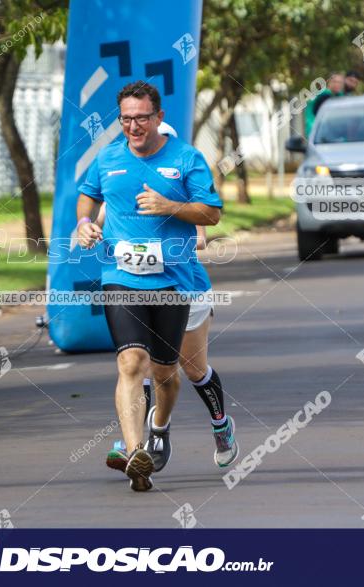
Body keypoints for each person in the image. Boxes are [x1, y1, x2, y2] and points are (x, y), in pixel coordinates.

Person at [77, 81, 222, 492]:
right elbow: (86, 198)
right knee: (130, 364)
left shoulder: (186, 158)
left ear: (159, 117)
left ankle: (160, 428)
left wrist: (171, 206)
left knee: (165, 374)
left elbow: (211, 214)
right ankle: (136, 452)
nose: (134, 126)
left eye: (142, 117)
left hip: (173, 281)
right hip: (120, 276)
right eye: (126, 119)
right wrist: (84, 224)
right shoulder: (107, 159)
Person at [101, 123, 238, 472]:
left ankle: (221, 426)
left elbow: (202, 231)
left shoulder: (182, 179)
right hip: (136, 286)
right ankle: (140, 442)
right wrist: (93, 227)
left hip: (184, 288)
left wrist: (169, 211)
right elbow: (102, 217)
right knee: (136, 364)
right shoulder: (123, 176)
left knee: (190, 369)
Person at [305, 73, 344, 137]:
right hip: (316, 130)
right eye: (334, 82)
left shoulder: (340, 96)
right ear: (329, 82)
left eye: (339, 82)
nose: (337, 84)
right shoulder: (322, 96)